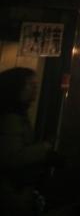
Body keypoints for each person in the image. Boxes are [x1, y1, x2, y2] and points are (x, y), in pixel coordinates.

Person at [0, 67, 55, 216]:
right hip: (12, 191)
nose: (35, 88)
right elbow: (11, 157)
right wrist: (44, 147)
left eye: (36, 84)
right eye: (30, 84)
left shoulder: (17, 113)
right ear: (15, 87)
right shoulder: (11, 118)